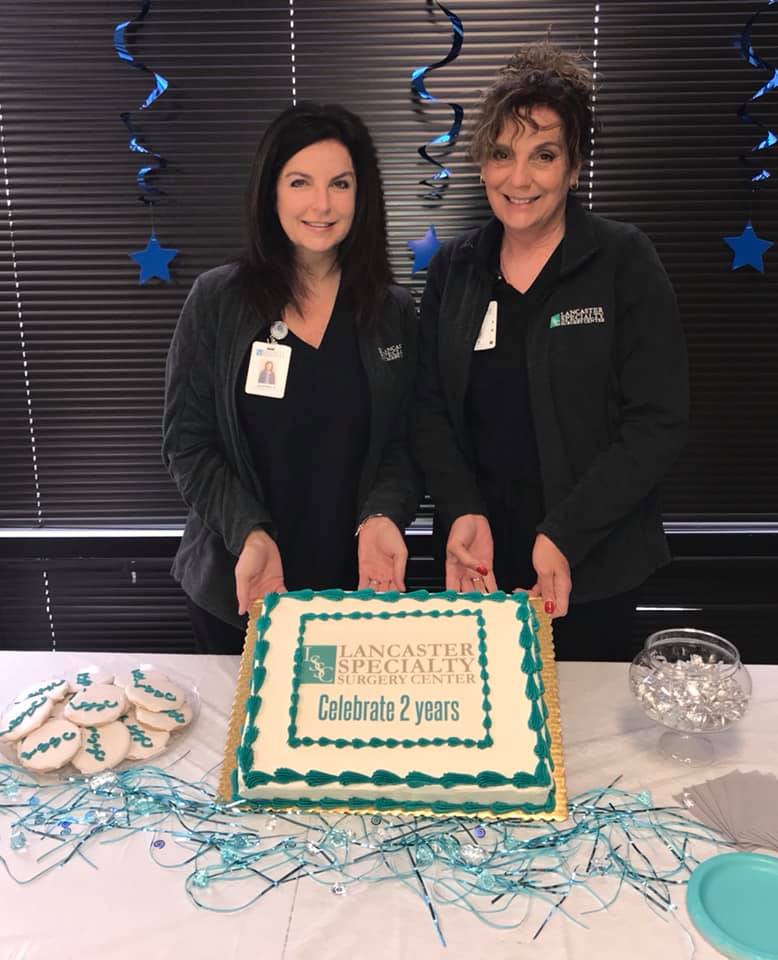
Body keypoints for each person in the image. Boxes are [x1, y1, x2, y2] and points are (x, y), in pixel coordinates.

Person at [413, 43, 689, 660]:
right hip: (476, 566)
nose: (519, 179)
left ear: (574, 167)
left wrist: (564, 534)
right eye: (503, 154)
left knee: (585, 748)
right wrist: (459, 511)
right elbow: (428, 410)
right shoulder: (455, 270)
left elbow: (658, 422)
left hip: (592, 566)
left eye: (544, 155)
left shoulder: (622, 261)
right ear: (483, 163)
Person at [163, 102, 419, 653]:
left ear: (362, 195)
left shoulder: (391, 311)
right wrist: (248, 532)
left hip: (355, 593)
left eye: (340, 184)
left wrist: (383, 516)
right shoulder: (217, 301)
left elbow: (405, 443)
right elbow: (187, 444)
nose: (321, 204)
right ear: (271, 192)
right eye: (300, 181)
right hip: (243, 585)